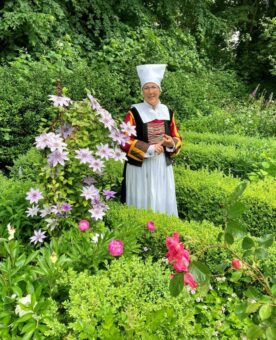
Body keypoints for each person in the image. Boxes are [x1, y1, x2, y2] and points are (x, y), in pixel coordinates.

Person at [121, 64, 182, 216]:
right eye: (146, 88)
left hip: (162, 166)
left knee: (162, 202)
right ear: (142, 91)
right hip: (140, 168)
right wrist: (149, 148)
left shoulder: (167, 111)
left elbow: (177, 137)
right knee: (142, 205)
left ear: (159, 89)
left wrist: (170, 143)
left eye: (153, 87)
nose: (150, 92)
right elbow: (123, 140)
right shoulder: (134, 112)